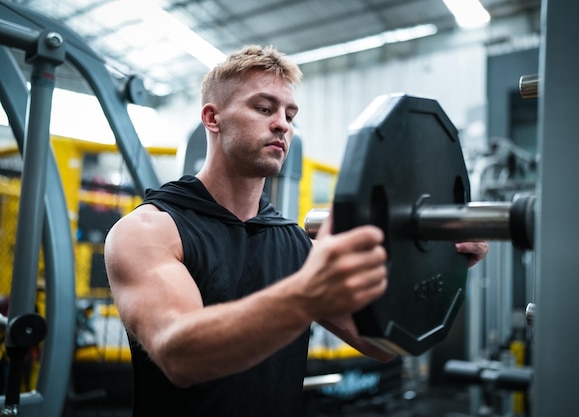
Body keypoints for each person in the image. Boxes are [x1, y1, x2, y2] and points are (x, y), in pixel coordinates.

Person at [104, 44, 488, 417]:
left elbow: (383, 344)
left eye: (290, 114)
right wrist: (306, 295)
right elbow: (180, 356)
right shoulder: (148, 231)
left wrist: (436, 261)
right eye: (264, 108)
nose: (282, 125)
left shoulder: (293, 243)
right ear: (212, 118)